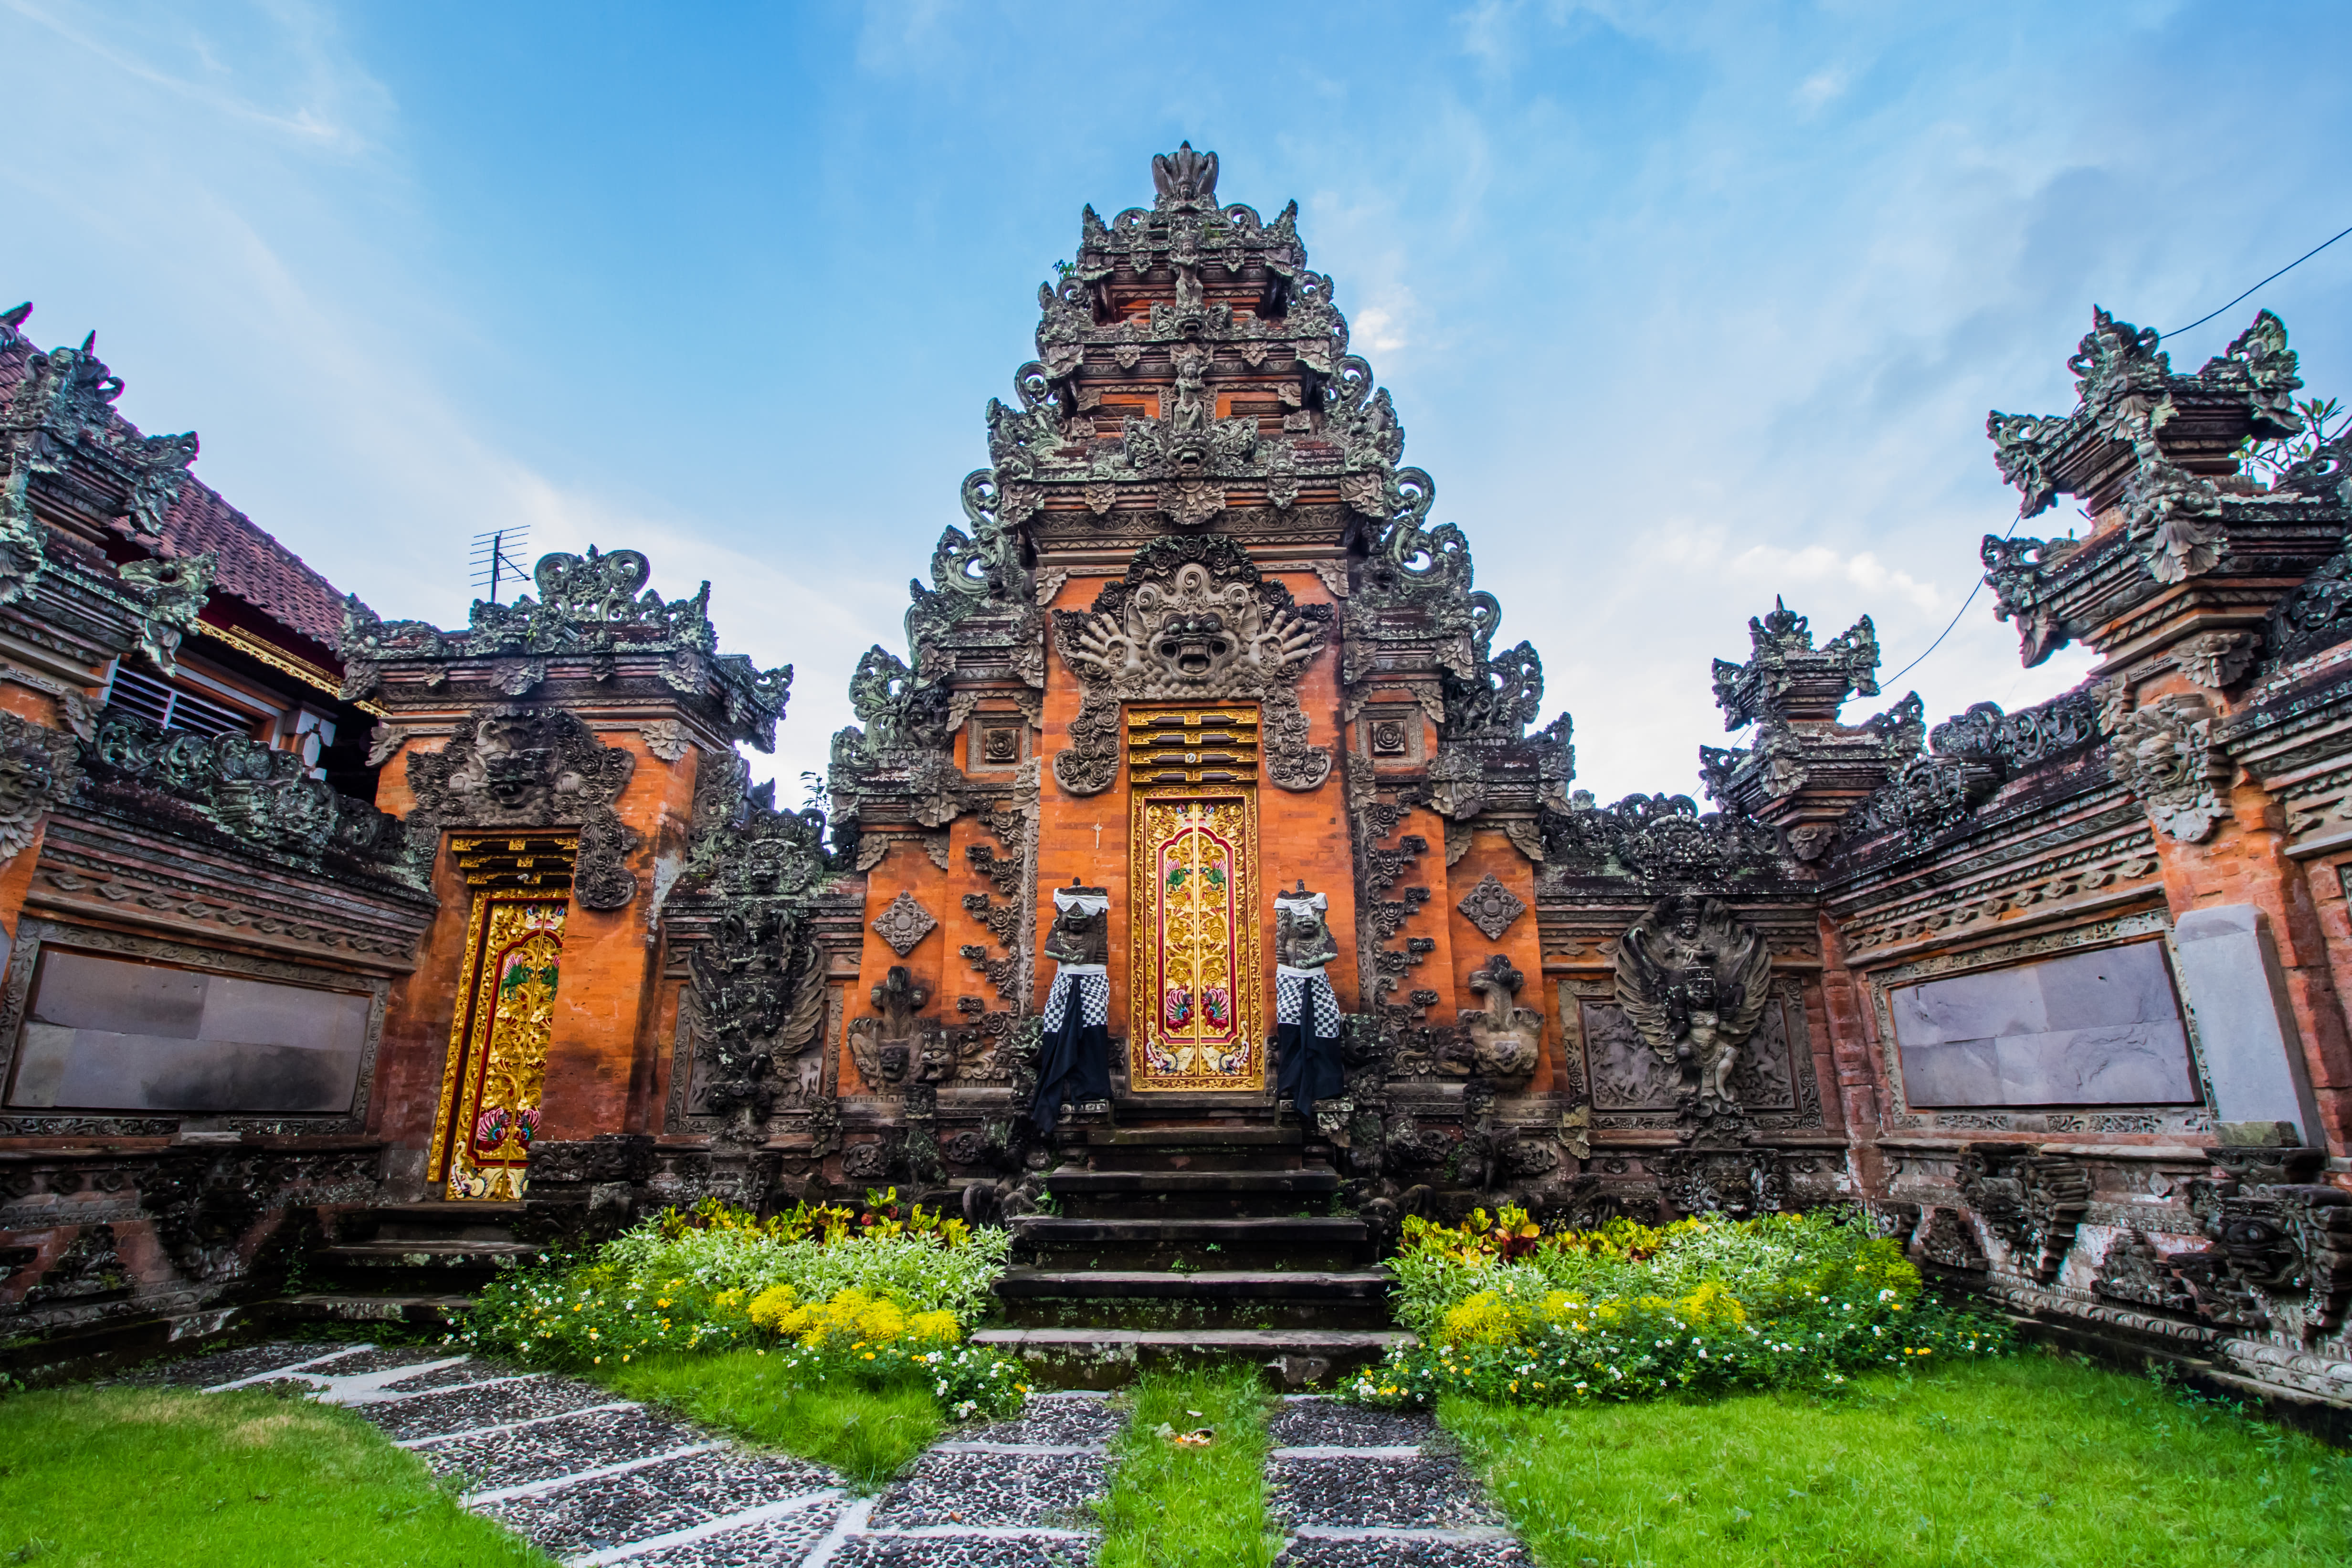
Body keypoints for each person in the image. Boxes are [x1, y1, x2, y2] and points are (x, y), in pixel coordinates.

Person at [1031, 880, 1113, 1130]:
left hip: (1094, 981)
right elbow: (1049, 949)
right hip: (1065, 982)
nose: (1076, 922)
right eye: (1072, 918)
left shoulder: (1096, 939)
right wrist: (1067, 956)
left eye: (1081, 918)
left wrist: (1077, 956)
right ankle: (1062, 1078)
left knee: (1094, 1029)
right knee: (1057, 1026)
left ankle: (1091, 1085)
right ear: (1064, 917)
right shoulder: (1059, 931)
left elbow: (1099, 956)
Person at [1271, 879, 1344, 1126]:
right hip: (1290, 983)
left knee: (1327, 1026)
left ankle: (1325, 1084)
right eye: (1301, 920)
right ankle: (1292, 1084)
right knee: (1291, 1030)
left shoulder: (1323, 936)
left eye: (1310, 920)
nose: (1306, 924)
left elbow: (1331, 952)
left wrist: (1310, 962)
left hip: (1317, 983)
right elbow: (1284, 950)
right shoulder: (1289, 941)